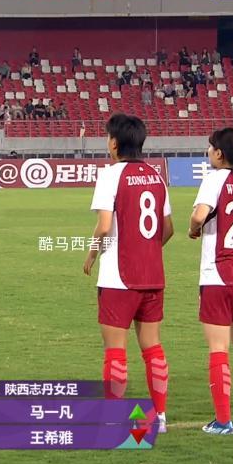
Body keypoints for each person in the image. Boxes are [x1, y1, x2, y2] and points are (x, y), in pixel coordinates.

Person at [83, 113, 173, 433]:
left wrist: (92, 253)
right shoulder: (156, 177)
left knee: (115, 350)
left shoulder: (110, 176)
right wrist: (146, 250)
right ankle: (160, 417)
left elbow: (104, 225)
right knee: (152, 346)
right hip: (153, 275)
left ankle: (114, 417)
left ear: (114, 143)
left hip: (118, 278)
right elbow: (168, 229)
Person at [188, 127, 233, 435]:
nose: (208, 152)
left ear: (219, 153)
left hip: (218, 274)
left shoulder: (214, 179)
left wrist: (193, 229)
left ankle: (222, 421)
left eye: (210, 148)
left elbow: (199, 215)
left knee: (218, 349)